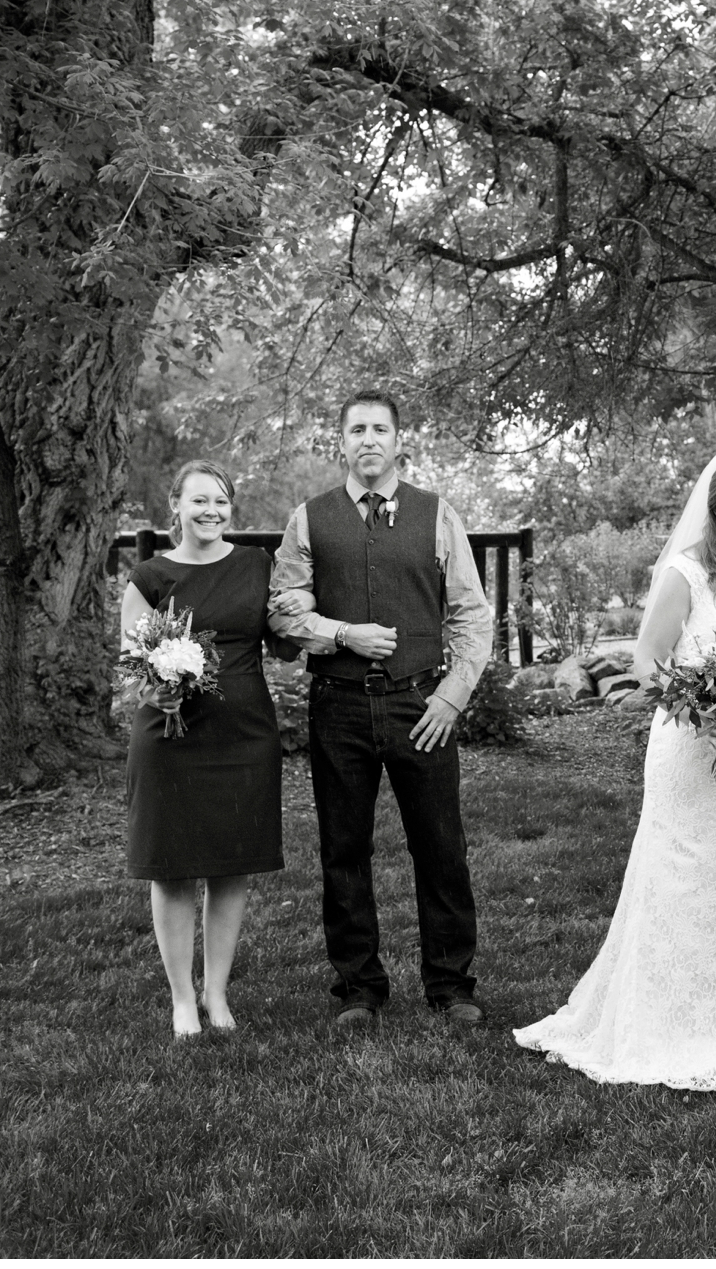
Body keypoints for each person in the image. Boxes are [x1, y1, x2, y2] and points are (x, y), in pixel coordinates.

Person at [513, 448, 716, 1088]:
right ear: (715, 509)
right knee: (687, 875)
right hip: (692, 750)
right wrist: (706, 707)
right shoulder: (687, 573)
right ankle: (672, 1021)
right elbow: (650, 661)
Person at [267, 390, 495, 1026]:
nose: (369, 440)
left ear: (399, 442)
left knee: (441, 846)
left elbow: (472, 616)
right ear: (340, 442)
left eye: (380, 430)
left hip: (422, 703)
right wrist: (342, 633)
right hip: (337, 707)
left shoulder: (437, 515)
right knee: (344, 849)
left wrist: (452, 697)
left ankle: (451, 986)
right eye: (357, 430)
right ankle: (359, 989)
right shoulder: (309, 519)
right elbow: (283, 611)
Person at [121, 460, 285, 1039]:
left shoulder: (256, 565)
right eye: (198, 502)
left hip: (244, 734)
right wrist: (158, 687)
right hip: (171, 739)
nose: (211, 511)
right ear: (176, 507)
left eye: (220, 502)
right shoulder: (149, 576)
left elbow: (285, 635)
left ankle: (217, 994)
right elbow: (132, 664)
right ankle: (182, 998)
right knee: (171, 870)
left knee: (231, 865)